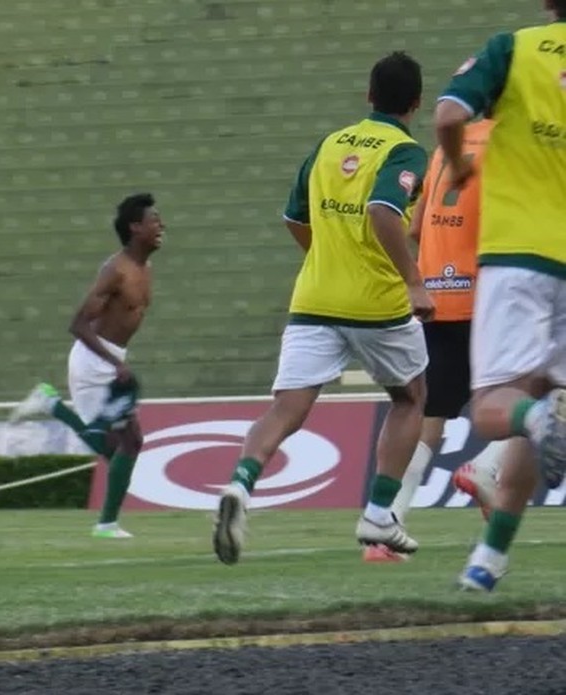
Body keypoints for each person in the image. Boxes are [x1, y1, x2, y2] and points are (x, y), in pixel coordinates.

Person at [213, 52, 433, 565]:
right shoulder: (405, 152)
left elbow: (294, 217)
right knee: (412, 397)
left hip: (313, 298)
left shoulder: (330, 144)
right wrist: (414, 282)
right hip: (375, 303)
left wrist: (325, 259)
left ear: (368, 96)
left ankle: (240, 487)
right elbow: (383, 211)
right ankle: (379, 513)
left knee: (287, 408)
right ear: (416, 103)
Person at [435, 0, 566, 592]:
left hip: (519, 256)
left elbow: (446, 117)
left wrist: (461, 166)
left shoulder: (513, 49)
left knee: (495, 407)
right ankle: (489, 560)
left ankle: (542, 420)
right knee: (544, 394)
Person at [363, 117, 510, 563]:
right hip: (487, 292)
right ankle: (487, 467)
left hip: (438, 295)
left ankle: (388, 528)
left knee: (430, 414)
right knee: (543, 389)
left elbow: (414, 228)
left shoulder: (444, 147)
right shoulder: (512, 142)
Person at [10, 193, 164, 538]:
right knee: (127, 444)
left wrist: (119, 362)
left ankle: (50, 404)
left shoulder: (145, 268)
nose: (161, 226)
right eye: (154, 220)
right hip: (93, 363)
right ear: (135, 227)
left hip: (111, 360)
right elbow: (78, 324)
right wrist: (114, 363)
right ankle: (106, 524)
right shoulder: (115, 272)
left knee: (122, 446)